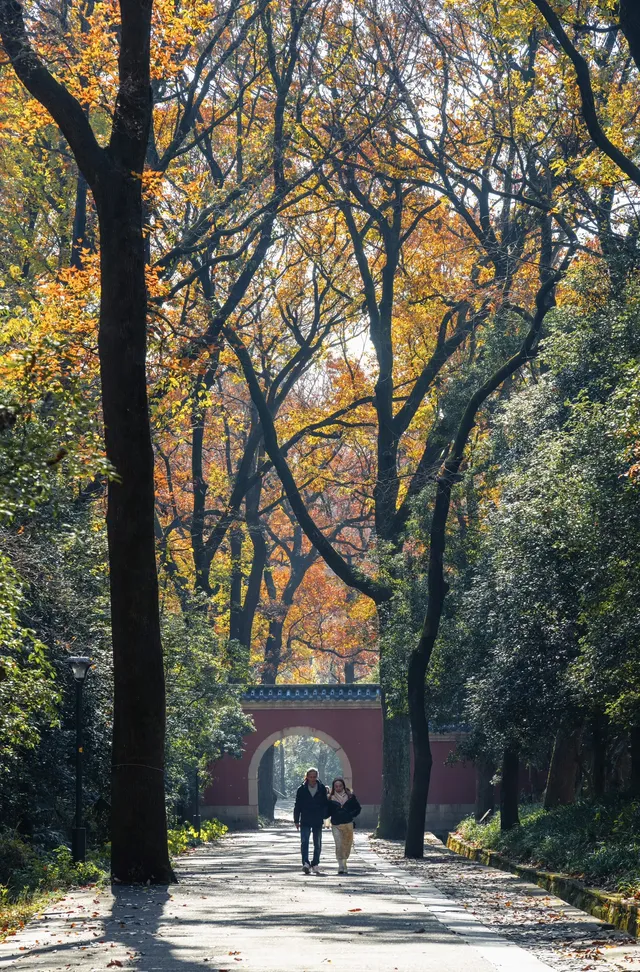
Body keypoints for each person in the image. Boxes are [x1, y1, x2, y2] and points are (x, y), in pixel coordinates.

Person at [293, 767, 330, 874]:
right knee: (304, 842)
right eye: (310, 777)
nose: (313, 779)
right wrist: (296, 820)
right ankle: (305, 863)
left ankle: (315, 863)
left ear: (317, 777)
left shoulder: (322, 788)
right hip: (305, 819)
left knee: (317, 842)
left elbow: (325, 804)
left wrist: (325, 815)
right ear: (307, 777)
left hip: (317, 819)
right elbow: (297, 805)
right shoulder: (301, 789)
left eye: (314, 776)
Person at [327, 777, 361, 874]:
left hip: (348, 823)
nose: (338, 788)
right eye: (336, 786)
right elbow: (327, 810)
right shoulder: (330, 798)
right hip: (336, 824)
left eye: (340, 786)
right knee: (339, 844)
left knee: (347, 844)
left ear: (343, 786)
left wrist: (351, 814)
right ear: (334, 787)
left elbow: (358, 808)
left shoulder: (350, 797)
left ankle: (345, 861)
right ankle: (340, 865)